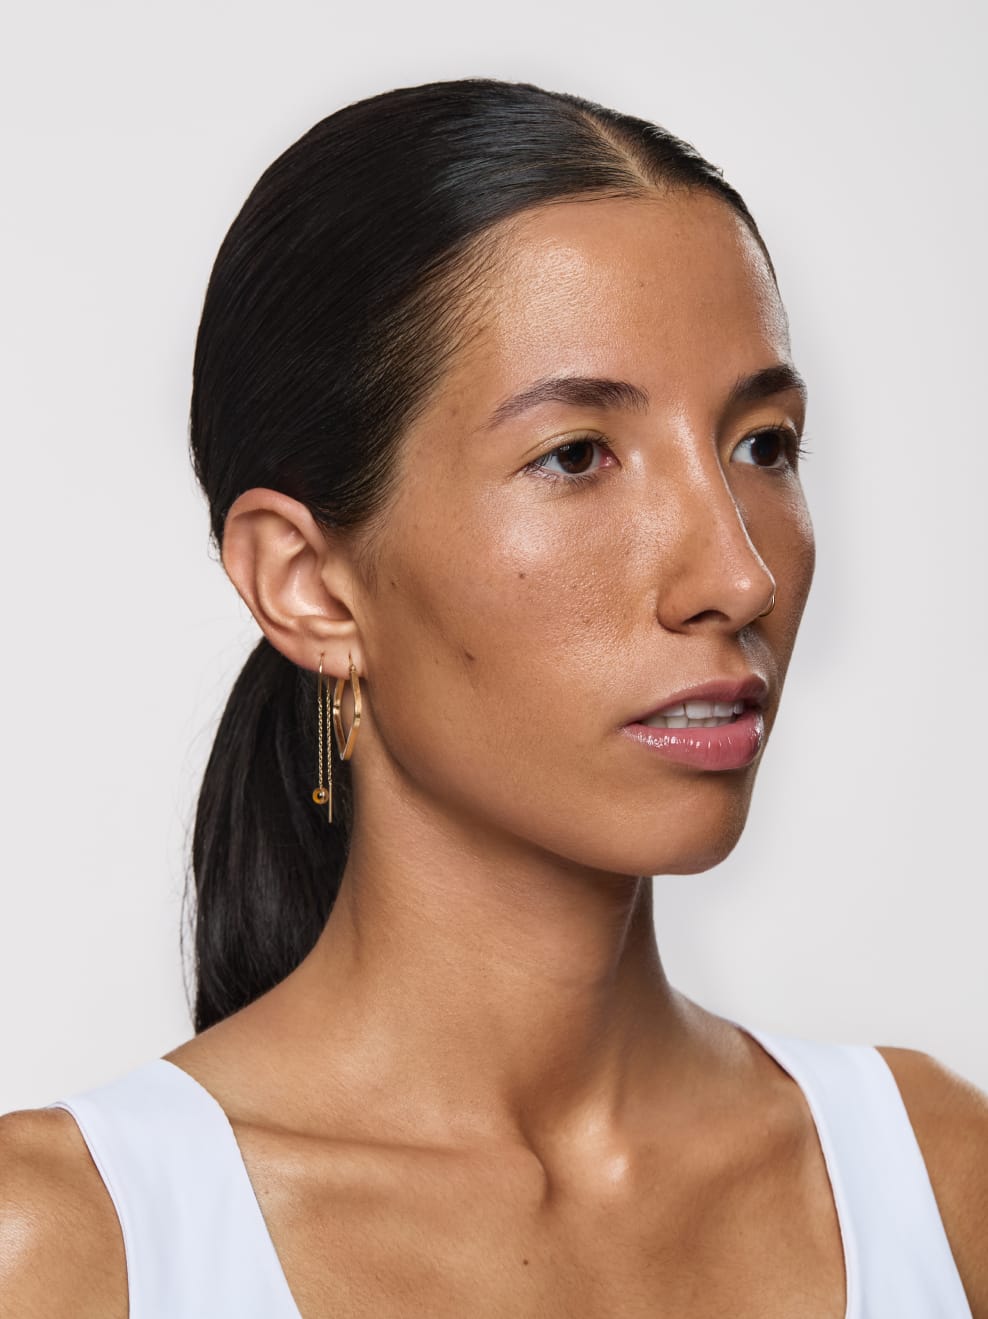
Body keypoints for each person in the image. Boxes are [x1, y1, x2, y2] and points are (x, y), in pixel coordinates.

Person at [1, 76, 985, 1318]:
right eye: (575, 456)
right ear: (309, 584)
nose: (738, 576)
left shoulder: (937, 1181)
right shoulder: (65, 1249)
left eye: (761, 445)